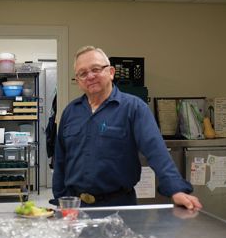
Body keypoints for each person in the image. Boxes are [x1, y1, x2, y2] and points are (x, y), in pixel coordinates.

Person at [52, 46, 202, 210]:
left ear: (111, 72)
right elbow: (60, 160)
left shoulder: (134, 108)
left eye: (95, 69)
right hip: (75, 207)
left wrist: (176, 189)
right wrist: (60, 198)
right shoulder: (70, 112)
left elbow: (156, 150)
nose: (90, 76)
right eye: (83, 73)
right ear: (78, 80)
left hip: (118, 206)